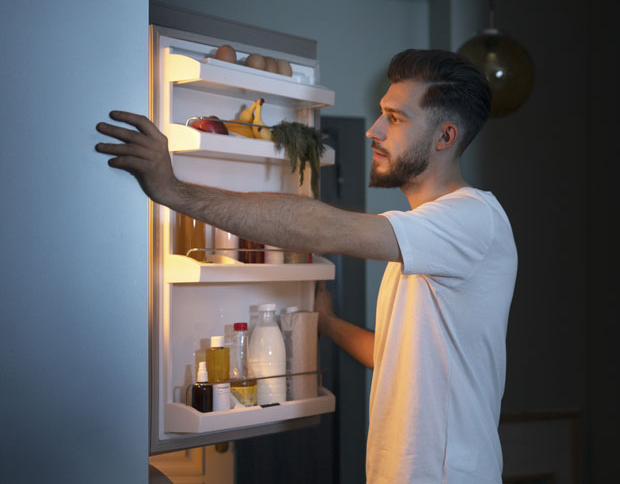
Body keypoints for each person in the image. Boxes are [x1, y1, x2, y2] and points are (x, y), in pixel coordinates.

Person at [95, 48, 517, 483]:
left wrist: (174, 191)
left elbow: (323, 227)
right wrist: (327, 322)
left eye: (394, 118)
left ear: (444, 137)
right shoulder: (427, 238)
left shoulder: (472, 219)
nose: (373, 131)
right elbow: (394, 354)